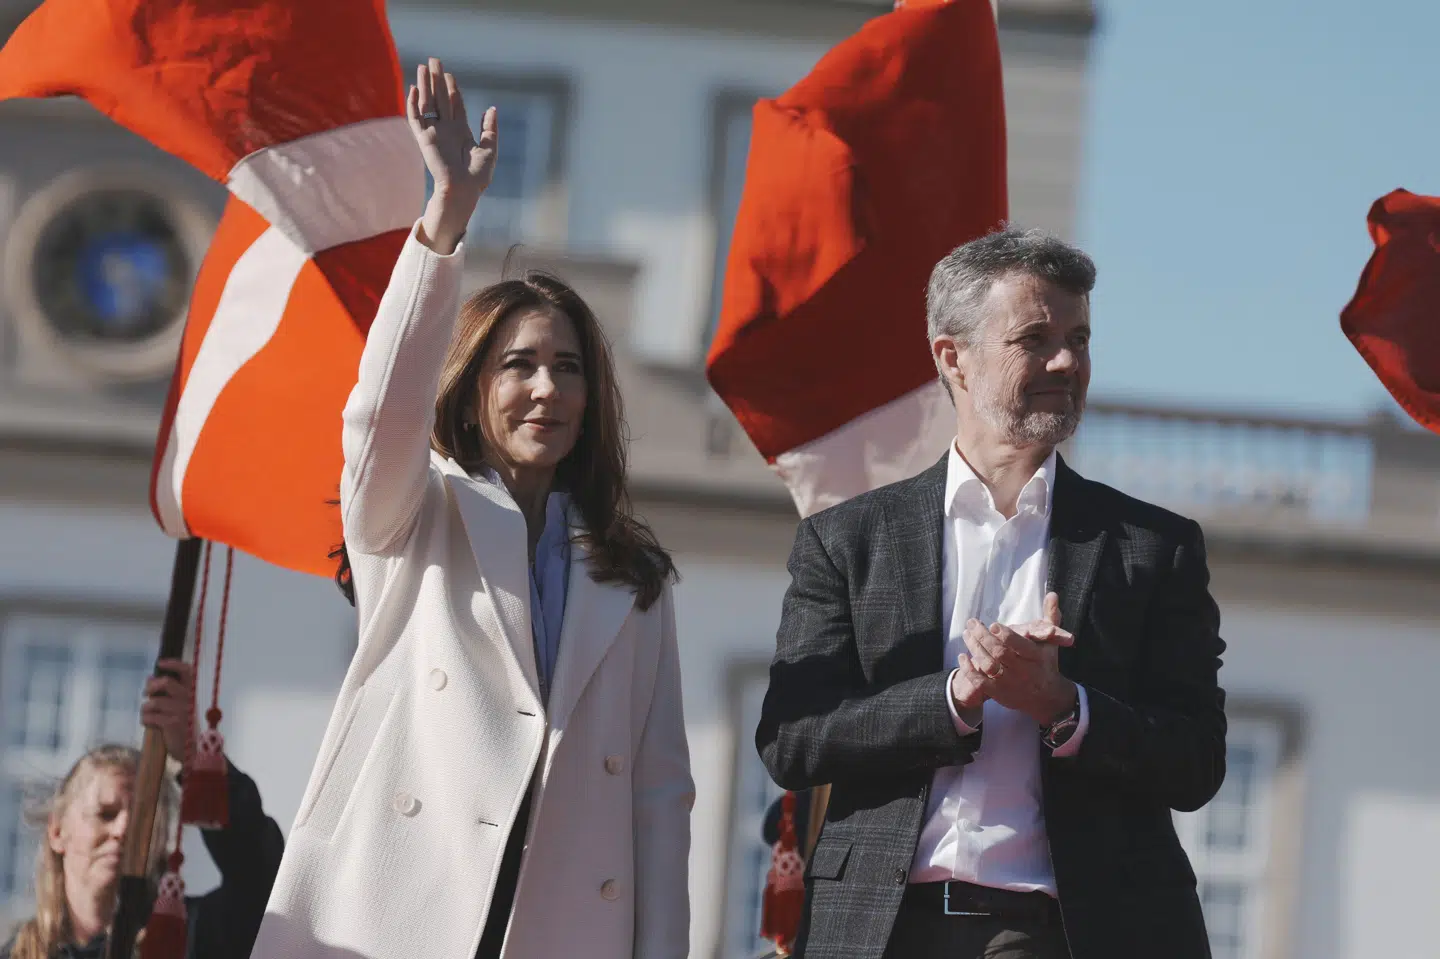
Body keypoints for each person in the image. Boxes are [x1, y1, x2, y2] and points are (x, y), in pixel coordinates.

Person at [252, 58, 693, 959]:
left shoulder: (630, 569)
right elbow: (381, 414)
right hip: (402, 915)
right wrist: (445, 216)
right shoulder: (415, 518)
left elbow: (659, 795)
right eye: (519, 365)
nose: (546, 389)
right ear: (472, 386)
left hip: (565, 925)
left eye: (567, 367)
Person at [755, 228, 1226, 959]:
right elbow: (793, 738)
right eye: (1035, 338)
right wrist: (953, 696)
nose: (1067, 361)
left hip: (1070, 934)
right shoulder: (847, 541)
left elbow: (1197, 759)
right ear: (954, 358)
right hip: (879, 932)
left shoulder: (1152, 547)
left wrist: (1065, 708)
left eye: (1080, 337)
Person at [0, 659, 285, 959]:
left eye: (142, 819)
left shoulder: (190, 938)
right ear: (58, 831)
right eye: (105, 814)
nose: (123, 829)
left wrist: (195, 759)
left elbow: (263, 881)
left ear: (162, 839)